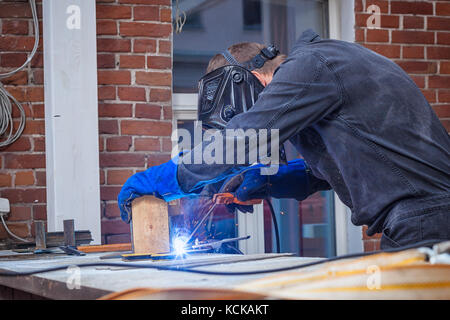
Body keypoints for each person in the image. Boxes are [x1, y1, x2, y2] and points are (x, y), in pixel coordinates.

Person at [118, 29, 450, 250]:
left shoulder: (309, 67)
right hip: (428, 217)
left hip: (424, 221)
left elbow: (244, 138)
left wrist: (164, 179)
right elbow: (330, 171)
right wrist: (263, 182)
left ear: (246, 81)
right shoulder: (325, 69)